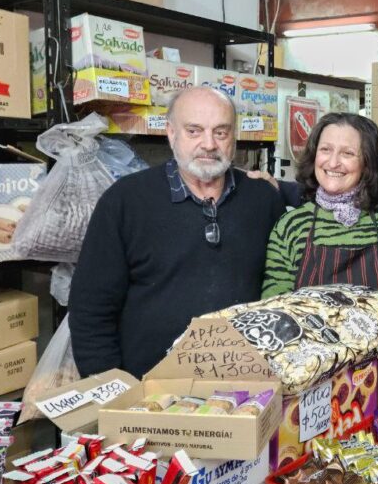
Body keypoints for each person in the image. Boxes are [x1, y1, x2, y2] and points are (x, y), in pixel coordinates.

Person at [69, 86, 286, 379]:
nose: (208, 144)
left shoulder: (262, 198)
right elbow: (90, 311)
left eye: (220, 132)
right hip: (149, 395)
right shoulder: (125, 201)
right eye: (194, 131)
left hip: (244, 387)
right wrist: (111, 390)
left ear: (233, 138)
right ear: (171, 133)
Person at [261, 112, 378, 398]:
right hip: (313, 390)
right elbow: (274, 315)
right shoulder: (292, 226)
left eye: (348, 153)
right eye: (325, 150)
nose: (333, 162)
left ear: (367, 163)